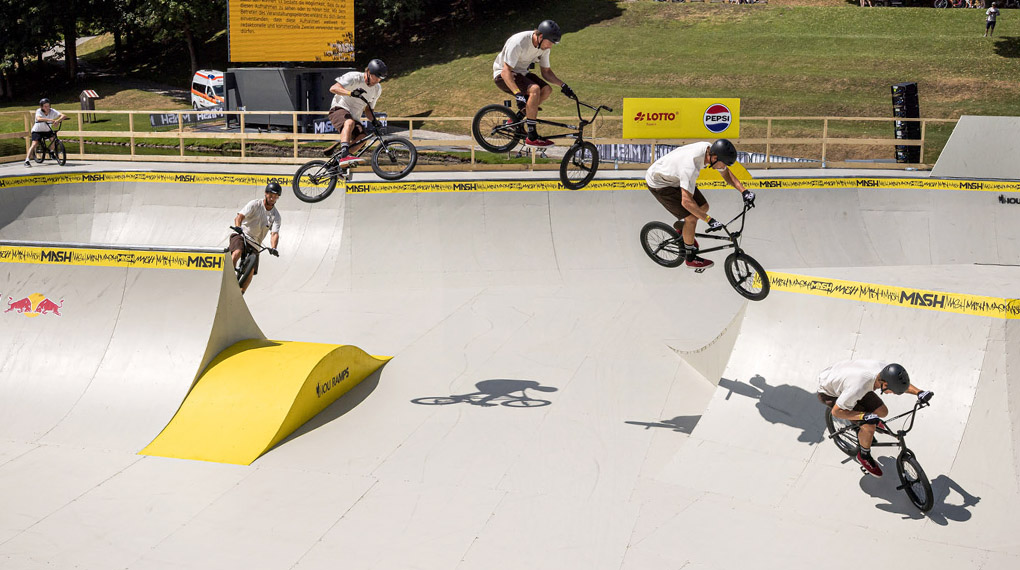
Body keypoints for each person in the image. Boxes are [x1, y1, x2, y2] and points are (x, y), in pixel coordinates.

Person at [644, 138, 754, 269]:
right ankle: (690, 258)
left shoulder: (709, 149)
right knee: (691, 218)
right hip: (660, 184)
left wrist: (744, 191)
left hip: (674, 177)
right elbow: (686, 202)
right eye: (723, 164)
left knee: (703, 207)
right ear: (714, 158)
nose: (723, 167)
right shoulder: (690, 167)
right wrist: (709, 220)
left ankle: (683, 231)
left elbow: (727, 174)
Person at [817, 360, 934, 477]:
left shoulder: (885, 371)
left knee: (882, 412)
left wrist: (919, 392)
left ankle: (862, 428)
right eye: (893, 391)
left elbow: (900, 384)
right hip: (829, 392)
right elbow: (837, 412)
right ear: (885, 384)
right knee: (868, 426)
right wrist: (863, 416)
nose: (893, 393)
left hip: (844, 378)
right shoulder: (858, 386)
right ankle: (864, 456)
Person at [492, 20, 573, 147]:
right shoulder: (518, 42)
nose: (550, 46)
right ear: (540, 37)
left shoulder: (543, 47)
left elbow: (546, 72)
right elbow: (505, 72)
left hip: (522, 73)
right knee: (534, 89)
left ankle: (515, 120)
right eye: (550, 43)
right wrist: (517, 93)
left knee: (546, 90)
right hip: (503, 75)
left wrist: (563, 85)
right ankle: (532, 136)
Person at [325, 59, 387, 165]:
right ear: (368, 72)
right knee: (349, 122)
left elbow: (368, 110)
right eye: (376, 77)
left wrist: (374, 121)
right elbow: (333, 88)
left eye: (380, 78)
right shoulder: (354, 77)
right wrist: (350, 93)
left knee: (362, 138)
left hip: (354, 117)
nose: (377, 80)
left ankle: (338, 163)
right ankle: (344, 155)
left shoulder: (377, 89)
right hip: (339, 108)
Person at [230, 181, 282, 293]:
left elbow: (274, 234)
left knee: (251, 270)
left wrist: (274, 248)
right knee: (237, 252)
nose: (272, 198)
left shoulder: (276, 216)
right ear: (266, 194)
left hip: (255, 244)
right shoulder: (255, 204)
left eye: (275, 197)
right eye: (271, 195)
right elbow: (239, 217)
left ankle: (241, 292)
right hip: (242, 235)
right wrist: (238, 226)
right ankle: (228, 277)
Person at [25, 98, 66, 167]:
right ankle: (27, 160)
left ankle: (51, 152)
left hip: (47, 129)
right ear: (41, 107)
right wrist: (50, 120)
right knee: (34, 143)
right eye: (45, 106)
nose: (47, 108)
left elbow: (64, 116)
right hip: (37, 130)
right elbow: (38, 118)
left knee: (53, 139)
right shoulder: (39, 111)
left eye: (48, 106)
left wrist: (57, 121)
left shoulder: (52, 111)